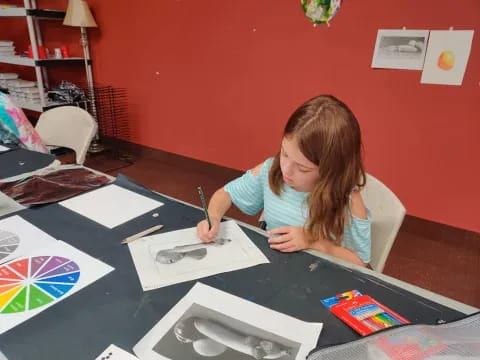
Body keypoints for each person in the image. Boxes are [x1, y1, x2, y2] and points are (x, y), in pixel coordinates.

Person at [197, 95, 371, 266]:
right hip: (275, 269)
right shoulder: (271, 171)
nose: (286, 169)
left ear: (330, 171)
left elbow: (360, 263)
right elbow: (225, 194)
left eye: (302, 168)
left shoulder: (349, 201)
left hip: (317, 278)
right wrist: (213, 216)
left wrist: (313, 242)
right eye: (285, 154)